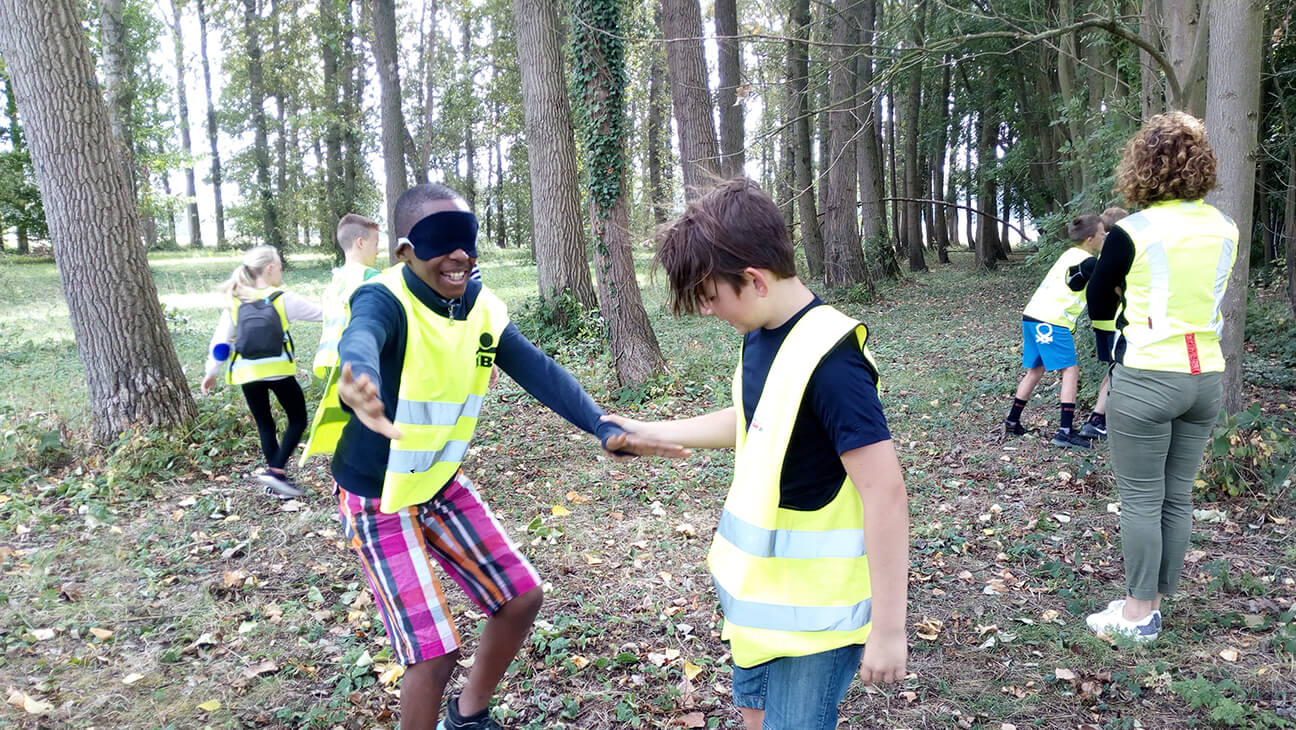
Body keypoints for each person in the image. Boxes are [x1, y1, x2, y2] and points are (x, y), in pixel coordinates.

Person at [309, 183, 686, 730]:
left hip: (438, 483)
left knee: (521, 598)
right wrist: (359, 376)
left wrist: (603, 426)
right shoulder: (383, 296)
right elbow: (363, 333)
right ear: (405, 251)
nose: (459, 254)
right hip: (378, 497)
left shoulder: (479, 306)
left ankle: (468, 716)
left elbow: (538, 369)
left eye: (467, 238)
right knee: (433, 655)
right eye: (441, 240)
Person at [601, 179, 909, 730]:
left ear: (754, 279)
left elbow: (884, 493)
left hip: (816, 620)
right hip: (757, 605)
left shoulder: (834, 364)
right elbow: (754, 420)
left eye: (710, 296)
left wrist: (889, 628)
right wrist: (650, 432)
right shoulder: (763, 331)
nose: (707, 310)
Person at [1083, 112, 1238, 642]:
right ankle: (1155, 596)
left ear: (1143, 166)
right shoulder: (1226, 227)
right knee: (1177, 495)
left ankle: (1136, 614)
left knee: (1142, 498)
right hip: (1205, 376)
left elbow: (1099, 300)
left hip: (1149, 376)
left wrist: (1122, 303)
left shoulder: (1133, 231)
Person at [201, 245, 323, 497]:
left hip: (248, 374)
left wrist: (210, 372)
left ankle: (275, 483)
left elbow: (221, 343)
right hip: (278, 371)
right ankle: (276, 472)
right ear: (269, 268)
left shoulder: (236, 302)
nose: (281, 271)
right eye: (279, 266)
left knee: (264, 423)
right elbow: (322, 314)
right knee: (298, 418)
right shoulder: (282, 298)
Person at [1002, 213, 1106, 449]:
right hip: (1052, 321)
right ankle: (1065, 432)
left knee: (1035, 370)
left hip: (1032, 316)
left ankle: (1012, 420)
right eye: (1102, 233)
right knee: (1070, 369)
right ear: (1090, 238)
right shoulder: (1089, 262)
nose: (1105, 237)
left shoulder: (1069, 255)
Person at [1075, 206, 1130, 440]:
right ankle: (1098, 419)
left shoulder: (1104, 253)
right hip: (1113, 322)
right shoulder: (1117, 252)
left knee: (1113, 370)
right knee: (1117, 371)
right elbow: (1116, 285)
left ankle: (1100, 418)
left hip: (1102, 320)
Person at [312, 213, 382, 377]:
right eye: (376, 244)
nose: (377, 251)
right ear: (360, 242)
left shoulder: (337, 278)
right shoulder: (371, 276)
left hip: (329, 358)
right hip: (358, 358)